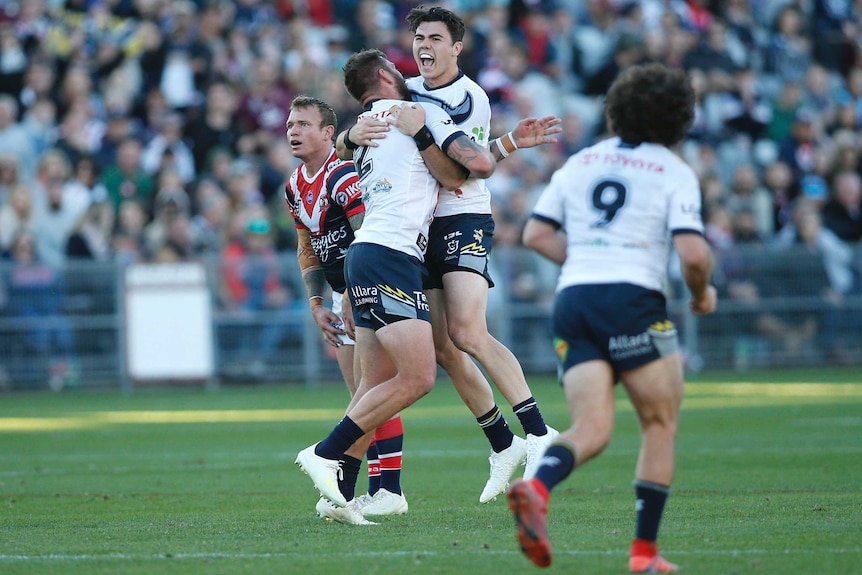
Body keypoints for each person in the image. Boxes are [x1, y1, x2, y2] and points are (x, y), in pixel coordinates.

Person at [338, 5, 562, 504]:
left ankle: (540, 432)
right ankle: (503, 445)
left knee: (466, 332)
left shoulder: (469, 97)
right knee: (440, 348)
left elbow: (468, 171)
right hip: (418, 231)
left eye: (436, 37)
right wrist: (347, 135)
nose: (425, 45)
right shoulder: (408, 92)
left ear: (456, 47)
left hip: (461, 217)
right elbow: (362, 135)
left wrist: (505, 144)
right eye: (419, 36)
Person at [505, 62, 718, 573]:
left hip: (574, 300)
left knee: (592, 428)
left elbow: (535, 234)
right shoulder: (672, 169)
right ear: (678, 117)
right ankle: (644, 554)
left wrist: (585, 263)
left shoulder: (581, 162)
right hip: (632, 300)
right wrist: (702, 293)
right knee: (659, 422)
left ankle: (537, 486)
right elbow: (692, 255)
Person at [295, 49, 496, 516]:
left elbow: (342, 150)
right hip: (391, 255)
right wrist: (504, 146)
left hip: (366, 256)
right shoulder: (409, 115)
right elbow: (466, 170)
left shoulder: (364, 132)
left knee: (373, 382)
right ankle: (326, 454)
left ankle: (348, 489)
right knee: (419, 376)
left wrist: (344, 135)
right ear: (387, 76)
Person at [284, 95, 408, 524]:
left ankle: (383, 489)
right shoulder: (295, 184)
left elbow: (365, 236)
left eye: (303, 123)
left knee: (373, 390)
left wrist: (355, 293)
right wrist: (318, 302)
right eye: (289, 124)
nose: (293, 130)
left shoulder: (341, 175)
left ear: (326, 133)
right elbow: (307, 246)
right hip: (342, 292)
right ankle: (371, 492)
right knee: (362, 394)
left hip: (370, 283)